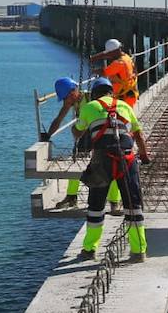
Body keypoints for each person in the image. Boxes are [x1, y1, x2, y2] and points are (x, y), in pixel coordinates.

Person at [74, 77, 151, 261]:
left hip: (102, 160)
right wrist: (145, 156)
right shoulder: (124, 106)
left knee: (96, 207)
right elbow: (138, 134)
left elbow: (77, 132)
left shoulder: (89, 106)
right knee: (134, 207)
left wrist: (81, 123)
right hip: (127, 159)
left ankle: (89, 250)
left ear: (94, 94)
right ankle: (139, 251)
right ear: (111, 92)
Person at [46, 76, 122, 212]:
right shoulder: (70, 102)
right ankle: (71, 197)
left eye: (65, 98)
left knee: (112, 165)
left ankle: (114, 202)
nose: (65, 102)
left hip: (103, 134)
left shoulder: (92, 97)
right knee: (76, 164)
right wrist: (47, 135)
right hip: (86, 134)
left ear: (72, 92)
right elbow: (58, 119)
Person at [91, 39, 139, 108]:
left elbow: (104, 72)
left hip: (124, 97)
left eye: (110, 53)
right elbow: (107, 54)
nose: (109, 54)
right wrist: (94, 57)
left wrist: (93, 71)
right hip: (130, 94)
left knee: (122, 117)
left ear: (114, 52)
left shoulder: (118, 63)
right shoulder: (126, 57)